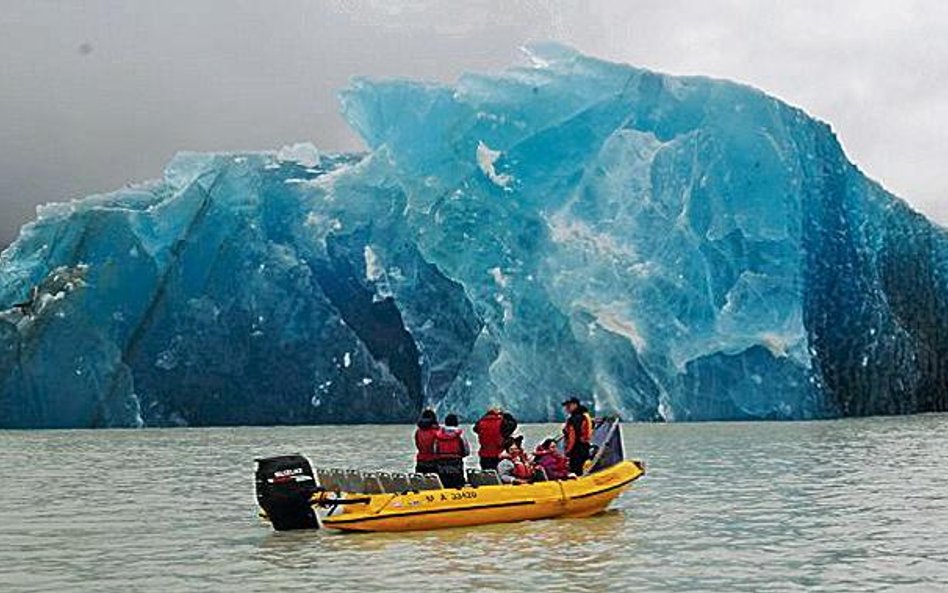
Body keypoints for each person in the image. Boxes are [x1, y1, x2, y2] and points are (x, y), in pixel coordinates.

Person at [433, 414, 469, 488]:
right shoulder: (460, 434)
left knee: (444, 482)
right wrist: (462, 455)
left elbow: (435, 449)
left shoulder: (439, 435)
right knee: (457, 482)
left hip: (442, 463)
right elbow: (466, 449)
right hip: (456, 462)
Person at [562, 396, 593, 475]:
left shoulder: (574, 419)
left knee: (575, 470)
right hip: (585, 447)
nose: (567, 408)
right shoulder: (584, 416)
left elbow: (572, 437)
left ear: (575, 405)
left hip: (576, 450)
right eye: (566, 406)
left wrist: (568, 451)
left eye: (568, 406)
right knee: (582, 467)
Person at [413, 409, 440, 475]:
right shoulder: (437, 432)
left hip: (420, 462)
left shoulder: (418, 432)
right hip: (434, 463)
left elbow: (418, 445)